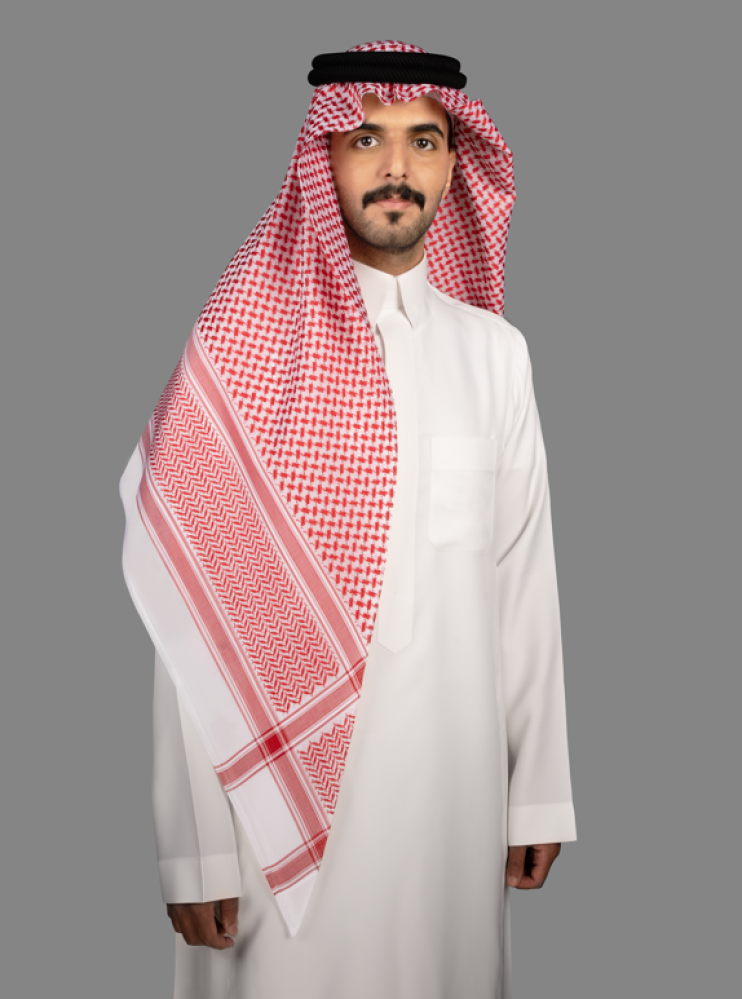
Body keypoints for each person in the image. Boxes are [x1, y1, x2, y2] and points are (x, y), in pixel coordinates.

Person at [120, 40, 576, 999]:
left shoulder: (497, 356)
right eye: (366, 138)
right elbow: (186, 605)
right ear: (322, 156)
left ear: (455, 165)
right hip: (269, 826)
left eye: (424, 141)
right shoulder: (243, 350)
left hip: (453, 803)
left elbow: (523, 581)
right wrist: (194, 846)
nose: (396, 167)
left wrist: (536, 790)